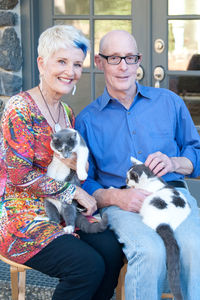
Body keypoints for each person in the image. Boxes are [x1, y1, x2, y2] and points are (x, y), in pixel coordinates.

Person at [0, 25, 124, 300]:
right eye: (62, 61)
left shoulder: (67, 112)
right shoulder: (20, 108)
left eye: (77, 64)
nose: (70, 71)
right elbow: (19, 175)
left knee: (111, 251)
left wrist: (77, 169)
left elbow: (76, 167)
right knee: (86, 267)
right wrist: (75, 191)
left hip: (62, 212)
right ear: (41, 63)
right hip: (24, 218)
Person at [75, 29, 200, 300]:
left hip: (173, 194)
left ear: (139, 60)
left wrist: (174, 161)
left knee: (195, 246)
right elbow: (85, 181)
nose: (123, 67)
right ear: (99, 63)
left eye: (130, 58)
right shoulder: (86, 120)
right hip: (124, 204)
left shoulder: (170, 102)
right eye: (114, 58)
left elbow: (195, 153)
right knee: (149, 252)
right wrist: (117, 197)